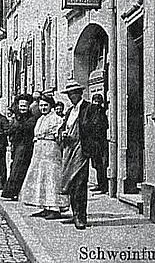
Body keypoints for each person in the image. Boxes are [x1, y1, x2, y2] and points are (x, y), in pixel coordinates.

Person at [59, 80, 103, 230]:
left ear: (80, 93)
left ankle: (80, 216)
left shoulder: (89, 108)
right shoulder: (69, 111)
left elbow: (97, 127)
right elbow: (62, 127)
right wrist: (63, 133)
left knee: (80, 182)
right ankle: (75, 212)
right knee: (71, 183)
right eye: (70, 94)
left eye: (74, 94)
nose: (72, 97)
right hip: (68, 150)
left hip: (81, 149)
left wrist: (84, 137)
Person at [19, 95, 69, 219]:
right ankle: (45, 206)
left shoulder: (56, 119)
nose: (43, 108)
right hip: (39, 151)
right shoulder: (41, 119)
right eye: (41, 105)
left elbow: (59, 135)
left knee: (51, 177)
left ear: (51, 106)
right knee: (40, 176)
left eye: (45, 105)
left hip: (51, 150)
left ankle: (54, 207)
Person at [1, 94, 37, 200]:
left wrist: (16, 125)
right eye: (20, 106)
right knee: (15, 167)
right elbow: (10, 130)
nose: (22, 108)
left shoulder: (31, 118)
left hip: (26, 146)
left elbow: (26, 128)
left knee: (20, 168)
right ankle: (12, 192)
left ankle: (15, 192)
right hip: (17, 146)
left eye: (24, 106)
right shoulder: (17, 117)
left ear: (29, 106)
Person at [89, 94, 109, 194]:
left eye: (98, 101)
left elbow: (102, 126)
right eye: (94, 101)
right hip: (94, 143)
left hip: (100, 143)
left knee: (101, 165)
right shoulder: (92, 112)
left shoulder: (102, 113)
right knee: (96, 165)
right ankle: (99, 184)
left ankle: (103, 186)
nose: (96, 103)